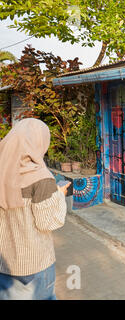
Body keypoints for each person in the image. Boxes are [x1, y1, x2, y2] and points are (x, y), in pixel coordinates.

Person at [0, 118, 70, 300]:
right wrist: (60, 195)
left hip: (3, 264)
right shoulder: (39, 177)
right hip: (34, 266)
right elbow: (48, 222)